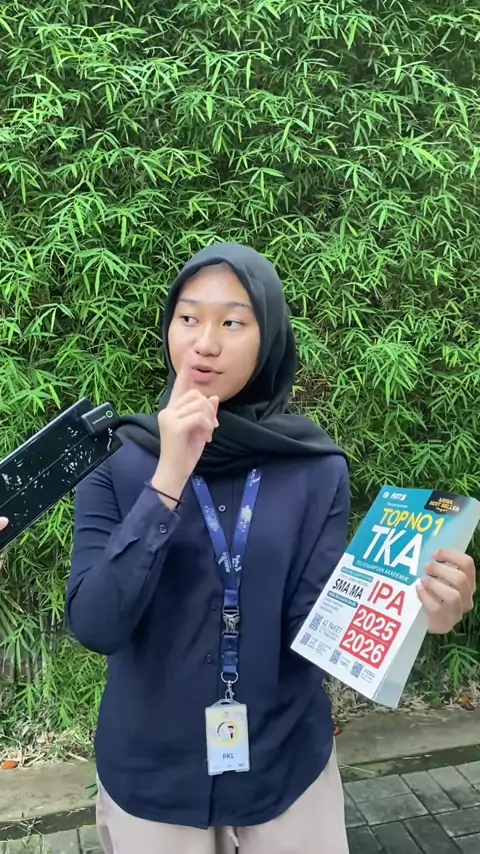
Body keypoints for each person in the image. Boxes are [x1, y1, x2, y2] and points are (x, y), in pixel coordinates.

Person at [67, 243, 476, 854]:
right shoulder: (116, 461)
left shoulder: (314, 468)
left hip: (285, 765)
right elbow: (96, 623)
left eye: (233, 322)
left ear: (270, 340)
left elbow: (312, 628)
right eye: (188, 318)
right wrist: (168, 479)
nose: (205, 343)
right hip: (151, 774)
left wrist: (417, 614)